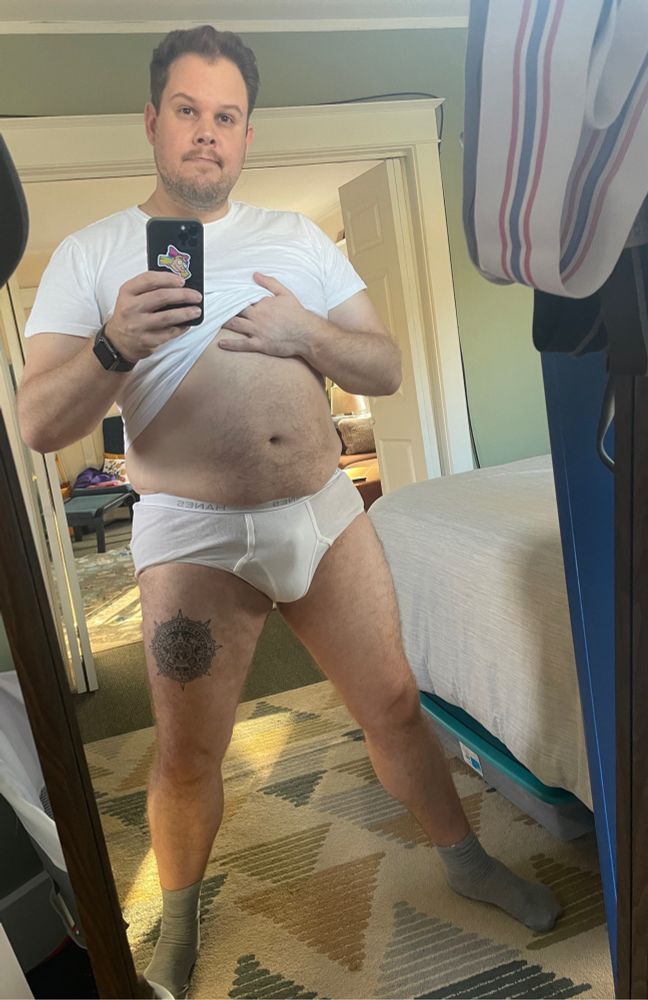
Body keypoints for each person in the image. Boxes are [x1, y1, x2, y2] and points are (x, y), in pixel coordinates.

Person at [17, 26, 561, 999]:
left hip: (322, 514)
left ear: (246, 134)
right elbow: (35, 423)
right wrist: (113, 344)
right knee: (190, 751)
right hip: (192, 536)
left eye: (226, 116)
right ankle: (179, 917)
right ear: (152, 120)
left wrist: (305, 331)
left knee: (393, 704)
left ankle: (466, 859)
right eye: (188, 110)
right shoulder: (91, 255)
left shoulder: (298, 241)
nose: (207, 132)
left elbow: (383, 366)